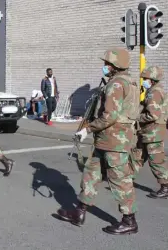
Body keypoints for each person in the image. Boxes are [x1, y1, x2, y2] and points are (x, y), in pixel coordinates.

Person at [56, 48, 140, 235]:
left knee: (119, 180)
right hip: (108, 140)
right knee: (91, 174)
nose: (104, 66)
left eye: (107, 63)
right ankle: (79, 212)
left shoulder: (116, 85)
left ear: (115, 65)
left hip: (114, 141)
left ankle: (129, 220)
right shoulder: (130, 82)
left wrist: (87, 129)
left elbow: (109, 116)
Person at [132, 66, 168, 199]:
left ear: (152, 79)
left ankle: (165, 186)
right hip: (149, 132)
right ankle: (126, 179)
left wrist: (137, 118)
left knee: (156, 161)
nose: (144, 81)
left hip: (153, 132)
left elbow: (153, 115)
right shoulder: (155, 90)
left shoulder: (155, 93)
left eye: (146, 79)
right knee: (138, 155)